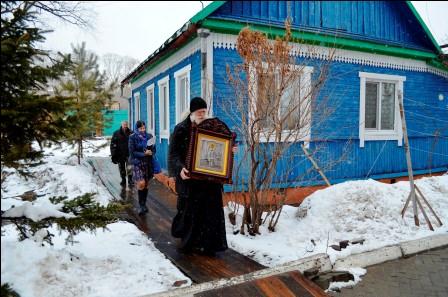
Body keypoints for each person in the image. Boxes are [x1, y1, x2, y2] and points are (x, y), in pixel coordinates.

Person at [168, 97, 236, 256]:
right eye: (199, 112)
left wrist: (230, 151)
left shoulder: (213, 127)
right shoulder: (181, 129)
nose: (202, 114)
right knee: (190, 212)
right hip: (190, 181)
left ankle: (209, 246)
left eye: (204, 112)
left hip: (210, 181)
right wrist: (180, 169)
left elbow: (223, 145)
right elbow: (173, 155)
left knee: (210, 213)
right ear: (192, 112)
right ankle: (190, 245)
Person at [129, 120, 156, 215]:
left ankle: (144, 204)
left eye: (144, 128)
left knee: (146, 184)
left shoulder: (149, 136)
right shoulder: (132, 137)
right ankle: (141, 205)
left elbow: (154, 149)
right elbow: (132, 152)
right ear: (137, 128)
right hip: (137, 163)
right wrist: (143, 153)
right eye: (140, 128)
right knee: (141, 183)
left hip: (148, 163)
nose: (143, 130)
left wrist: (151, 152)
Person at [110, 121, 133, 187]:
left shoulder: (131, 133)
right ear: (121, 125)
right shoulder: (116, 133)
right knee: (121, 168)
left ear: (127, 125)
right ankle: (123, 180)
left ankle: (130, 180)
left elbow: (135, 143)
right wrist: (113, 154)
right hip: (120, 154)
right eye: (124, 124)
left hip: (129, 154)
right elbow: (113, 144)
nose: (125, 126)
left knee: (130, 167)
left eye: (126, 124)